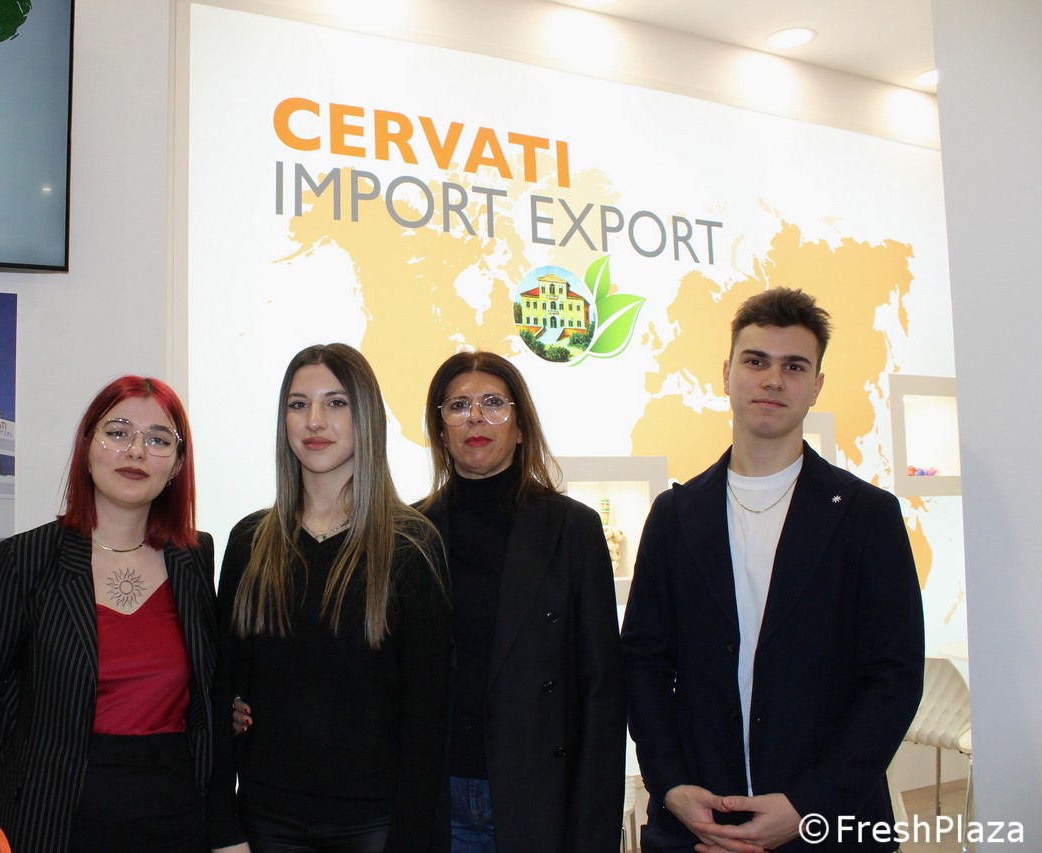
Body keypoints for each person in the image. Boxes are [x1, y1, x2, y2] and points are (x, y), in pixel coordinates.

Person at [621, 287, 925, 853]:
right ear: (727, 373)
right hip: (698, 819)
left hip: (831, 824)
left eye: (794, 366)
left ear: (817, 385)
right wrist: (671, 785)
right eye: (756, 361)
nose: (773, 380)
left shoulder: (867, 517)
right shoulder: (675, 515)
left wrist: (810, 805)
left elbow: (893, 678)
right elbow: (644, 663)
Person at [0, 377, 217, 853]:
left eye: (158, 439)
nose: (136, 451)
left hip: (176, 811)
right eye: (118, 432)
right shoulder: (26, 558)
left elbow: (207, 691)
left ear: (176, 464)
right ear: (87, 448)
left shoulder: (194, 557)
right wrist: (52, 744)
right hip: (54, 814)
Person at [207, 343, 450, 853]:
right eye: (298, 404)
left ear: (367, 417)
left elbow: (426, 718)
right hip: (263, 820)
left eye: (336, 402)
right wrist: (223, 830)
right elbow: (220, 691)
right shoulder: (250, 541)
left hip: (373, 826)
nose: (314, 420)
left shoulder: (410, 545)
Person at [418, 350, 625, 853]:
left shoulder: (573, 529)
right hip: (435, 799)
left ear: (521, 426)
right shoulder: (410, 532)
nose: (476, 418)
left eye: (494, 403)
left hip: (540, 797)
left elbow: (601, 689)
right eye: (458, 406)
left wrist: (594, 829)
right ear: (440, 429)